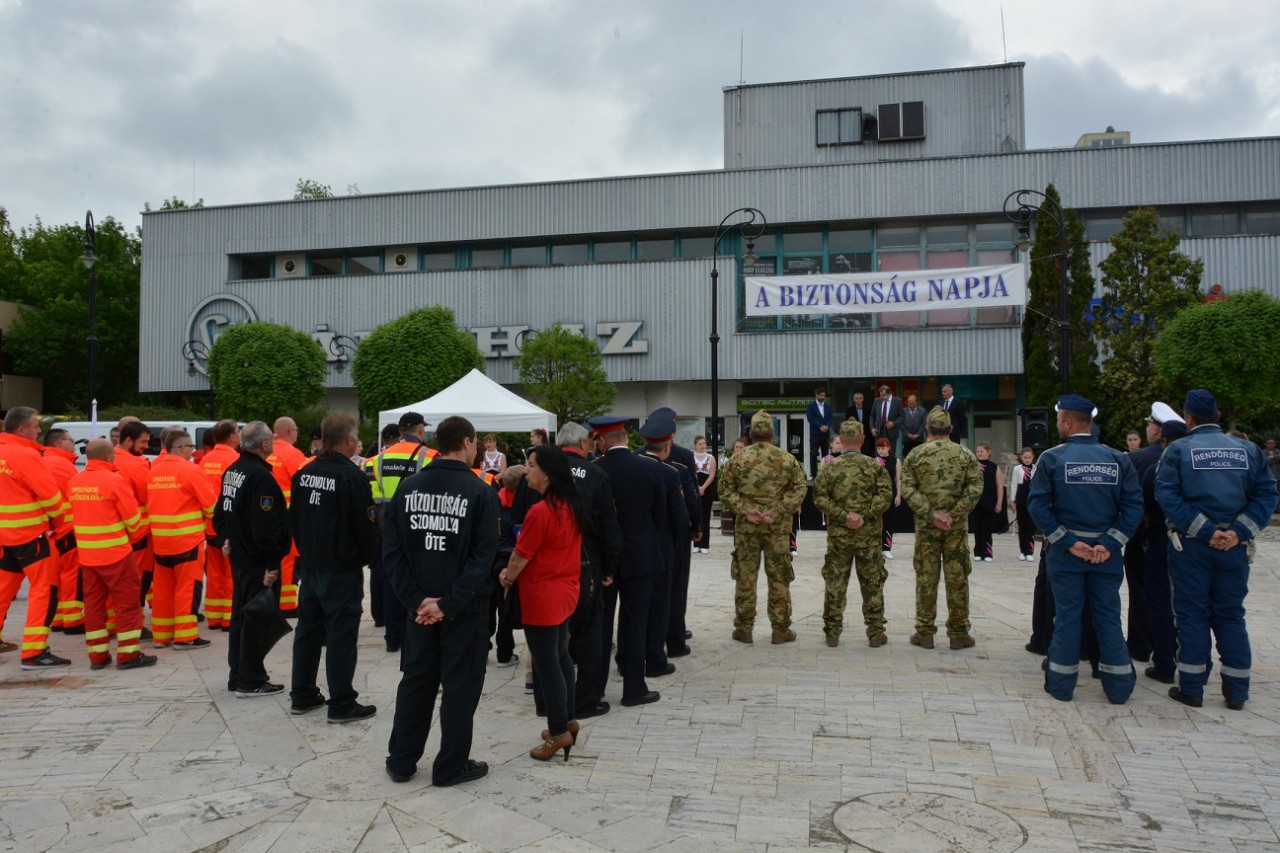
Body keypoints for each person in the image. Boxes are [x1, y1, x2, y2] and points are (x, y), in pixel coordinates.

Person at [384, 416, 498, 786]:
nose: (476, 447)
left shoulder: (408, 488)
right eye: (475, 442)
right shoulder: (481, 491)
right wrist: (445, 604)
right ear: (465, 442)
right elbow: (483, 560)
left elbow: (393, 553)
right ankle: (449, 765)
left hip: (420, 613)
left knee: (416, 682)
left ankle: (401, 760)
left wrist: (418, 602)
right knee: (460, 687)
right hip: (463, 611)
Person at [1156, 389, 1278, 711]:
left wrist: (1206, 530)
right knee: (1231, 615)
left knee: (1192, 615)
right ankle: (1237, 693)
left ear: (1188, 419)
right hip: (1234, 549)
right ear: (1219, 418)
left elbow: (1167, 496)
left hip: (1191, 546)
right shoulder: (1249, 450)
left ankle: (1192, 689)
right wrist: (1237, 532)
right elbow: (1267, 495)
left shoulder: (1178, 450)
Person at [1028, 395, 1142, 704]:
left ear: (1067, 422)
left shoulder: (1052, 458)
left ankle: (1062, 686)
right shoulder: (1119, 459)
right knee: (1107, 616)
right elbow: (1133, 507)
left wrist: (1069, 542)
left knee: (1067, 616)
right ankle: (1119, 688)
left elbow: (1037, 505)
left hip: (1067, 554)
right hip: (1106, 555)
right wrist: (1109, 543)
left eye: (1058, 420)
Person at [288, 412, 378, 722]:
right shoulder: (351, 476)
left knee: (308, 630)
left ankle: (302, 694)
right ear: (350, 440)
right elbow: (365, 528)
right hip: (340, 569)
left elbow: (294, 519)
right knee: (341, 634)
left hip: (311, 565)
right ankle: (342, 702)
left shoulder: (304, 472)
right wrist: (366, 557)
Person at [499, 444, 586, 761]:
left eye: (532, 465)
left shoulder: (540, 512)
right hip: (565, 592)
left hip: (542, 597)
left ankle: (558, 730)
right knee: (560, 657)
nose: (526, 470)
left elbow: (521, 556)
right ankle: (568, 721)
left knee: (547, 664)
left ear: (547, 474)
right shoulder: (570, 504)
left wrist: (507, 576)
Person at [590, 415, 666, 707]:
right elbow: (659, 515)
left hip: (605, 560)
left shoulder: (596, 470)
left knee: (601, 625)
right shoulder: (650, 468)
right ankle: (634, 688)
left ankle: (595, 688)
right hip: (641, 555)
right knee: (636, 624)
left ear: (602, 440)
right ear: (625, 437)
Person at [717, 410, 807, 645]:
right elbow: (799, 489)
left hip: (747, 528)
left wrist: (746, 510)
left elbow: (724, 490)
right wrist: (776, 512)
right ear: (772, 433)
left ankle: (744, 628)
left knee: (745, 577)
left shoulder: (737, 459)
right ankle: (780, 630)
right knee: (779, 577)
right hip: (777, 529)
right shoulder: (787, 459)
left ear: (750, 434)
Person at [215, 422, 291, 697]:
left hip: (241, 558)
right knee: (256, 621)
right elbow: (265, 528)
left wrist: (227, 539)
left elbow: (220, 516)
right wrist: (272, 565)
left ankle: (238, 674)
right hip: (257, 562)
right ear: (264, 445)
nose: (273, 442)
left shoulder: (233, 471)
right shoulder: (260, 477)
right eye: (271, 438)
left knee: (242, 618)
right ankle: (250, 679)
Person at [67, 439, 155, 671]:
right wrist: (137, 537)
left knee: (94, 605)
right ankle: (128, 655)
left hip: (87, 556)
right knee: (127, 603)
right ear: (107, 457)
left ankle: (97, 656)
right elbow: (134, 522)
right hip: (116, 554)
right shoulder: (115, 481)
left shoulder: (75, 482)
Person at [900, 406, 983, 650]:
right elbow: (975, 488)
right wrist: (953, 514)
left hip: (927, 528)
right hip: (955, 528)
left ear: (927, 429)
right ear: (950, 429)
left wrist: (930, 513)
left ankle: (924, 632)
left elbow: (908, 489)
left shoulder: (915, 455)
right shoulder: (966, 455)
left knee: (926, 577)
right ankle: (958, 633)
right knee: (957, 578)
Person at [557, 423, 622, 718]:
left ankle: (549, 700)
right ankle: (584, 700)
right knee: (588, 634)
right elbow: (609, 527)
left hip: (546, 564)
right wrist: (609, 568)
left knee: (550, 636)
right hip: (585, 563)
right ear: (583, 444)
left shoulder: (538, 470)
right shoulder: (595, 474)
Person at [0, 407, 71, 668]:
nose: (39, 430)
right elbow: (51, 497)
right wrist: (62, 525)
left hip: (4, 538)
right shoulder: (26, 455)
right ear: (21, 429)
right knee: (44, 591)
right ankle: (34, 652)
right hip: (31, 536)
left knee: (3, 590)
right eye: (35, 426)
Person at [813, 420, 893, 647]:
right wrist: (864, 515)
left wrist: (843, 515)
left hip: (839, 537)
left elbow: (819, 498)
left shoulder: (829, 467)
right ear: (862, 439)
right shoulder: (875, 467)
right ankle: (876, 633)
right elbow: (885, 497)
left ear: (842, 441)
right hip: (868, 537)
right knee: (873, 583)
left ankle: (832, 633)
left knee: (835, 583)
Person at [1123, 401, 1183, 665]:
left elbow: (1131, 501)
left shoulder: (1139, 459)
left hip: (1144, 538)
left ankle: (1139, 645)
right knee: (1178, 596)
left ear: (1158, 430)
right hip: (1181, 538)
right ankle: (1173, 646)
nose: (1147, 428)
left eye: (1149, 424)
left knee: (1141, 593)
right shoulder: (1186, 455)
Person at [374, 412, 437, 654]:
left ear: (400, 431)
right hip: (417, 524)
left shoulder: (378, 459)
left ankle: (393, 637)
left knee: (392, 580)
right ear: (420, 429)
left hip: (388, 525)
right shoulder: (430, 456)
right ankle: (416, 632)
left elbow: (376, 495)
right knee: (417, 580)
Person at [147, 429, 217, 649]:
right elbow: (211, 506)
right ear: (182, 448)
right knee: (187, 588)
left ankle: (162, 636)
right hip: (187, 540)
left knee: (163, 591)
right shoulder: (190, 470)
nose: (192, 452)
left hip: (160, 542)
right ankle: (186, 637)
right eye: (191, 448)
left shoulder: (153, 471)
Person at [1138, 418, 1188, 685]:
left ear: (1164, 440)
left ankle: (1165, 664)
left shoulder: (1156, 470)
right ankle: (1197, 664)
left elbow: (1144, 507)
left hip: (1161, 542)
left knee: (1159, 605)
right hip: (1197, 543)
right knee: (1195, 607)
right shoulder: (1197, 469)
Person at [41, 428, 84, 635]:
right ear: (59, 443)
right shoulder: (62, 465)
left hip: (50, 531)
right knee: (71, 574)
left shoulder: (42, 461)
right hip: (67, 528)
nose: (73, 444)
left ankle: (58, 620)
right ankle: (73, 620)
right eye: (71, 440)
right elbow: (77, 493)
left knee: (56, 575)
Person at [200, 420, 242, 630]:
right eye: (237, 432)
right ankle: (229, 618)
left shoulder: (205, 460)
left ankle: (214, 618)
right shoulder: (235, 459)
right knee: (230, 573)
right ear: (231, 436)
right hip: (229, 526)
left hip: (209, 526)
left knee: (214, 573)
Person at [268, 417, 308, 617]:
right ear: (291, 431)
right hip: (288, 516)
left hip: (266, 516)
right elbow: (304, 483)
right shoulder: (293, 454)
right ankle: (287, 605)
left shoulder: (265, 451)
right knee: (289, 561)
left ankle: (272, 599)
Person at [969, 442, 1004, 562]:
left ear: (988, 452)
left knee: (987, 529)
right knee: (977, 528)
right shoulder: (972, 466)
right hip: (976, 502)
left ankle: (987, 552)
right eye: (977, 451)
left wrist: (999, 502)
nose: (979, 453)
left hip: (989, 502)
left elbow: (999, 486)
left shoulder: (995, 467)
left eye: (981, 451)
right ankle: (978, 551)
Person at [873, 437, 905, 559]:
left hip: (890, 495)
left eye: (883, 448)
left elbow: (898, 479)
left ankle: (886, 548)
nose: (880, 451)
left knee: (889, 522)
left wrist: (898, 495)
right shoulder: (874, 461)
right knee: (876, 522)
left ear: (888, 448)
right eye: (878, 448)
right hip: (876, 495)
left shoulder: (895, 461)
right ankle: (875, 548)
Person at [1011, 448, 1037, 561]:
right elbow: (1014, 485)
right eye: (1025, 457)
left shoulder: (1036, 468)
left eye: (1029, 457)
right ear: (1021, 457)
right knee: (1022, 526)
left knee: (1031, 526)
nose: (1027, 460)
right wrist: (1013, 500)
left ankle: (1030, 551)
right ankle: (1022, 551)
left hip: (1032, 498)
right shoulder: (1017, 469)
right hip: (1021, 498)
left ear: (1033, 457)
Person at [692, 436, 717, 554]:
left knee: (705, 517)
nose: (702, 446)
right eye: (700, 444)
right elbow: (690, 473)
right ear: (695, 445)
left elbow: (712, 475)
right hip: (694, 488)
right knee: (695, 516)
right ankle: (696, 543)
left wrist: (703, 488)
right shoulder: (691, 457)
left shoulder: (711, 458)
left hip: (707, 489)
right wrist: (697, 487)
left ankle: (705, 544)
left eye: (704, 443)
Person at [806, 386, 833, 477]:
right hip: (815, 434)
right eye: (821, 395)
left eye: (824, 395)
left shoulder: (828, 406)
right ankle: (814, 474)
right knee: (814, 454)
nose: (823, 397)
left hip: (825, 434)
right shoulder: (811, 406)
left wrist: (827, 426)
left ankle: (825, 473)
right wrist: (820, 426)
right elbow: (810, 418)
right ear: (816, 395)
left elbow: (831, 418)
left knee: (825, 454)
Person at [870, 385, 904, 455]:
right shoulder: (877, 401)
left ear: (889, 393)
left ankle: (890, 466)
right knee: (879, 454)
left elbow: (902, 416)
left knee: (890, 453)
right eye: (881, 395)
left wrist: (893, 423)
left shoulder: (897, 401)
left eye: (884, 395)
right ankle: (880, 466)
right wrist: (872, 428)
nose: (882, 397)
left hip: (891, 432)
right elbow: (872, 416)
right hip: (879, 432)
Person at [844, 392, 874, 456]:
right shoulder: (849, 410)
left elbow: (870, 421)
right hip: (853, 435)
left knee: (865, 453)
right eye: (856, 398)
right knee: (854, 453)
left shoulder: (868, 409)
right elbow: (847, 422)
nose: (858, 400)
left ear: (863, 399)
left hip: (865, 435)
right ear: (854, 399)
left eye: (860, 398)